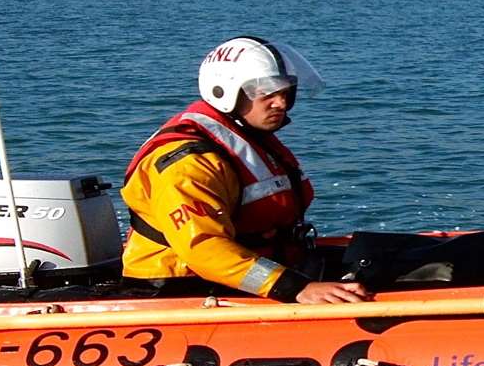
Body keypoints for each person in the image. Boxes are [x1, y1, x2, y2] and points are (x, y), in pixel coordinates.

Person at [121, 36, 368, 304]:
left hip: (265, 264)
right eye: (267, 93)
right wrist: (297, 288)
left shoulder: (246, 136)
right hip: (185, 286)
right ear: (225, 91)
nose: (281, 104)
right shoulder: (187, 164)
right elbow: (205, 251)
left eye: (286, 92)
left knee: (398, 257)